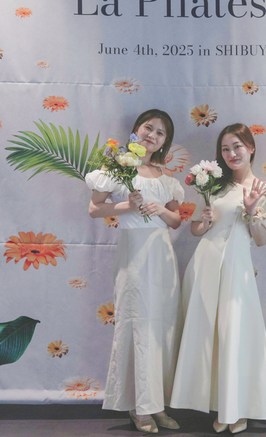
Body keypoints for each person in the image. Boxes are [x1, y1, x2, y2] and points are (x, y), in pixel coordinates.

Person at [171, 124, 266, 434]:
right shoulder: (213, 186)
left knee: (236, 335)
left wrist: (251, 210)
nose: (232, 154)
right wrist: (204, 221)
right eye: (225, 149)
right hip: (205, 265)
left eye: (237, 147)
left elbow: (261, 239)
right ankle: (219, 405)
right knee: (208, 335)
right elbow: (196, 229)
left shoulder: (263, 189)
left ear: (251, 148)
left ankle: (238, 408)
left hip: (237, 268)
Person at [86, 109, 185, 434]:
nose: (152, 135)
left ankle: (156, 405)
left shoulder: (167, 178)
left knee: (160, 330)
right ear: (136, 130)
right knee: (137, 326)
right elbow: (94, 209)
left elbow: (176, 221)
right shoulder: (117, 168)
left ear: (164, 142)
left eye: (160, 133)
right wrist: (127, 206)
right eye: (148, 127)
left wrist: (159, 210)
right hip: (134, 256)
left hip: (163, 258)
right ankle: (138, 407)